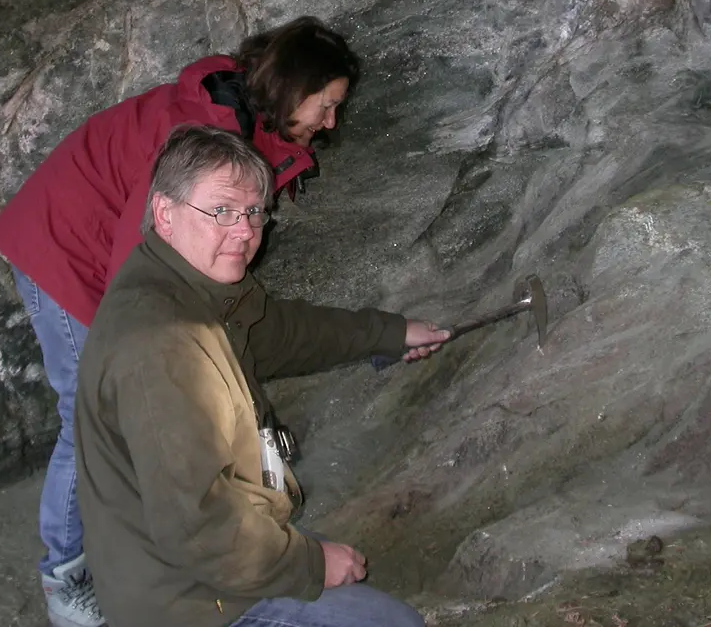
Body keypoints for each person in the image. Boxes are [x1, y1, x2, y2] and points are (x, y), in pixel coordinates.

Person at [0, 17, 360, 627]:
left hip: (92, 236)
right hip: (65, 245)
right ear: (294, 88)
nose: (331, 123)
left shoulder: (244, 123)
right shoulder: (202, 135)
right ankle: (66, 577)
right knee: (86, 406)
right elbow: (140, 268)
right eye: (326, 105)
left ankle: (124, 544)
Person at [74, 124, 450, 627]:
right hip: (188, 601)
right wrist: (310, 566)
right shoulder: (160, 342)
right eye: (222, 211)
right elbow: (197, 524)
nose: (246, 231)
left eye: (254, 212)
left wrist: (390, 333)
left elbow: (283, 333)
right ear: (165, 213)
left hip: (197, 564)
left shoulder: (191, 284)